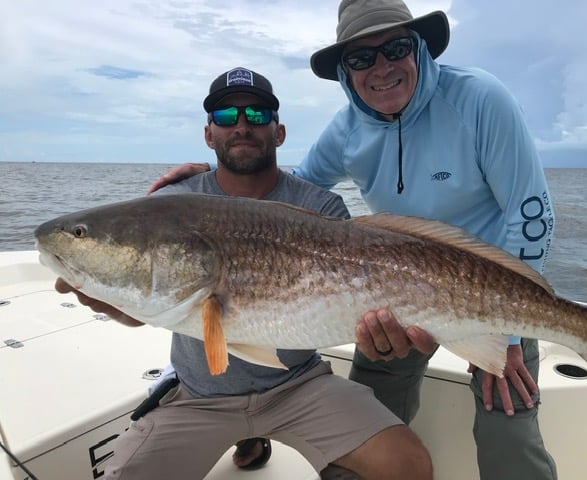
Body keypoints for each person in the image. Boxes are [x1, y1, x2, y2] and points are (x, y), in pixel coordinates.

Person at [145, 1, 558, 479]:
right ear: (345, 71)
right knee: (365, 428)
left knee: (509, 430)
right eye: (361, 59)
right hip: (395, 290)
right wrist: (216, 178)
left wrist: (505, 335)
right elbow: (286, 196)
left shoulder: (482, 99)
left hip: (491, 289)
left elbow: (531, 214)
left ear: (419, 48)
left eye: (395, 48)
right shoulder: (344, 131)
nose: (380, 68)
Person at [55, 66, 433, 480]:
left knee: (407, 466)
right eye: (224, 116)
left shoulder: (320, 208)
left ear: (279, 131)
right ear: (208, 134)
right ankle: (247, 438)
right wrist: (107, 297)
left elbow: (348, 304)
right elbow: (148, 304)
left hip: (299, 384)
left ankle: (257, 437)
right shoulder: (173, 203)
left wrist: (382, 340)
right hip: (199, 395)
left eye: (255, 116)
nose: (240, 126)